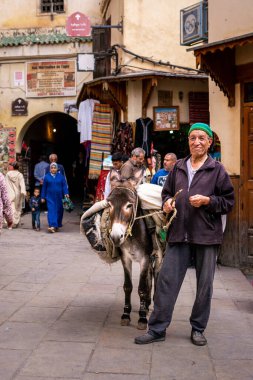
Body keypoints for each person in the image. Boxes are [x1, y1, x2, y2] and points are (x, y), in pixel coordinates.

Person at [135, 122, 234, 347]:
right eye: (192, 138)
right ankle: (157, 328)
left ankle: (198, 328)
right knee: (166, 281)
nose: (196, 142)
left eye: (201, 138)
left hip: (206, 235)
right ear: (188, 142)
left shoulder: (217, 170)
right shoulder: (178, 167)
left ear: (209, 142)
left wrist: (208, 201)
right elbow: (166, 194)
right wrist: (167, 203)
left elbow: (228, 201)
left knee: (204, 285)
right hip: (179, 232)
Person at [41, 162, 69, 233]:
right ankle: (52, 225)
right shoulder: (46, 177)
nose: (53, 169)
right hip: (50, 197)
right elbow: (44, 188)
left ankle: (57, 224)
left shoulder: (61, 177)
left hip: (59, 197)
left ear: (57, 169)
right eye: (52, 168)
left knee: (59, 211)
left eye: (54, 168)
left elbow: (64, 186)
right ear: (50, 169)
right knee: (51, 210)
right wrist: (43, 197)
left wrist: (66, 193)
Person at [5, 161, 26, 228]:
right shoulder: (20, 175)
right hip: (18, 194)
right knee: (18, 208)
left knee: (11, 207)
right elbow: (22, 184)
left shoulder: (8, 174)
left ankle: (11, 221)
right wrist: (23, 192)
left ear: (12, 167)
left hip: (10, 193)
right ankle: (15, 221)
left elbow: (6, 184)